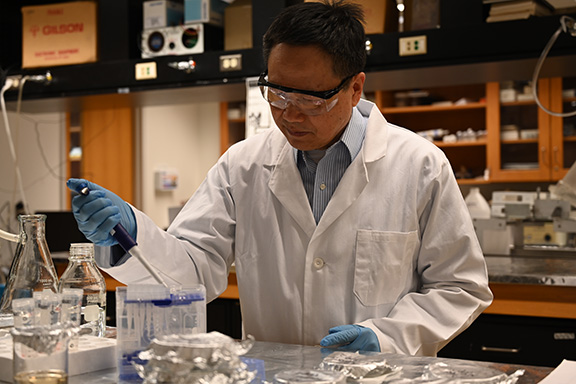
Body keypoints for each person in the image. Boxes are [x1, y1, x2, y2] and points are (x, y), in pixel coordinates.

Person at [67, 0, 493, 356]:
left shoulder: (419, 165)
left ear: (355, 88)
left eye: (311, 98)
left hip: (379, 378)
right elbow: (195, 270)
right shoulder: (243, 165)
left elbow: (459, 286)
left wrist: (386, 338)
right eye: (277, 92)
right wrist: (128, 234)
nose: (289, 113)